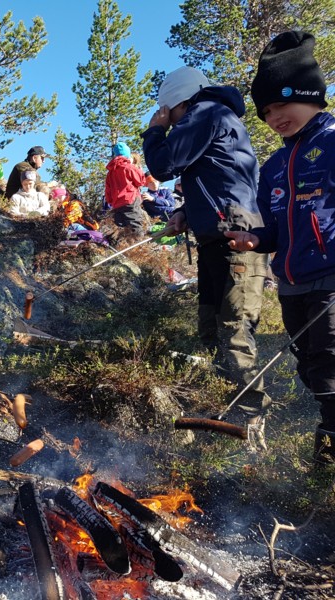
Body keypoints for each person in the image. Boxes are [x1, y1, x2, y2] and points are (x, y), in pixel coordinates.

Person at [142, 66, 271, 448]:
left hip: (234, 240)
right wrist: (186, 213)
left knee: (233, 331)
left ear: (179, 102)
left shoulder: (207, 112)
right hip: (220, 237)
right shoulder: (215, 117)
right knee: (211, 327)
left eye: (170, 112)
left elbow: (163, 165)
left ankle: (250, 428)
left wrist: (155, 129)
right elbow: (216, 178)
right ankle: (221, 418)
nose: (170, 120)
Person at [225, 31, 334, 464]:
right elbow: (272, 227)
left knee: (330, 363)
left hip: (330, 277)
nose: (274, 116)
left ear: (310, 94)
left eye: (281, 103)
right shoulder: (274, 165)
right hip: (290, 282)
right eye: (266, 111)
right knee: (309, 365)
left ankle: (328, 446)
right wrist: (256, 239)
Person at [104, 141, 149, 233]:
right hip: (130, 200)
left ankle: (123, 243)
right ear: (127, 155)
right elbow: (140, 181)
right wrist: (139, 170)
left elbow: (108, 189)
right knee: (134, 223)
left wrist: (110, 201)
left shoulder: (110, 172)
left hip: (117, 203)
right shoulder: (129, 167)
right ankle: (138, 243)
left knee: (121, 226)